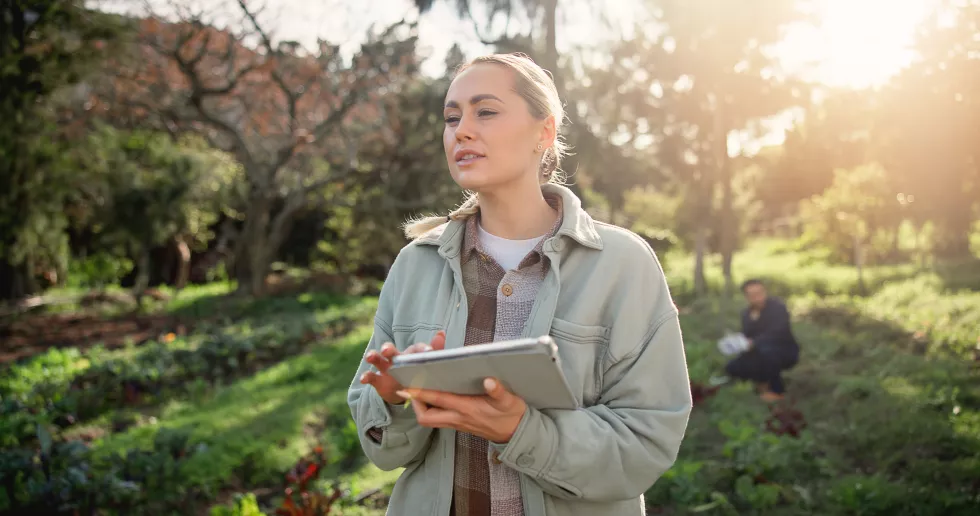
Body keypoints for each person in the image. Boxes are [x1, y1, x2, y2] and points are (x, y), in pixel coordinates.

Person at [346, 53, 692, 516]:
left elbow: (646, 442)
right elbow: (383, 450)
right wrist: (391, 399)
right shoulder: (414, 265)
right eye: (452, 117)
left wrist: (524, 431)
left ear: (543, 132)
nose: (461, 130)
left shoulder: (624, 265)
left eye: (485, 111)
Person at [724, 279, 800, 402]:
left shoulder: (778, 308)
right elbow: (747, 335)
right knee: (732, 367)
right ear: (746, 297)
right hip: (758, 350)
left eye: (760, 293)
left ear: (765, 292)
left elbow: (778, 332)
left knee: (767, 352)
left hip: (784, 350)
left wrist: (754, 342)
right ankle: (760, 380)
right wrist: (736, 342)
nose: (758, 298)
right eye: (752, 295)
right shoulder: (746, 313)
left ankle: (777, 391)